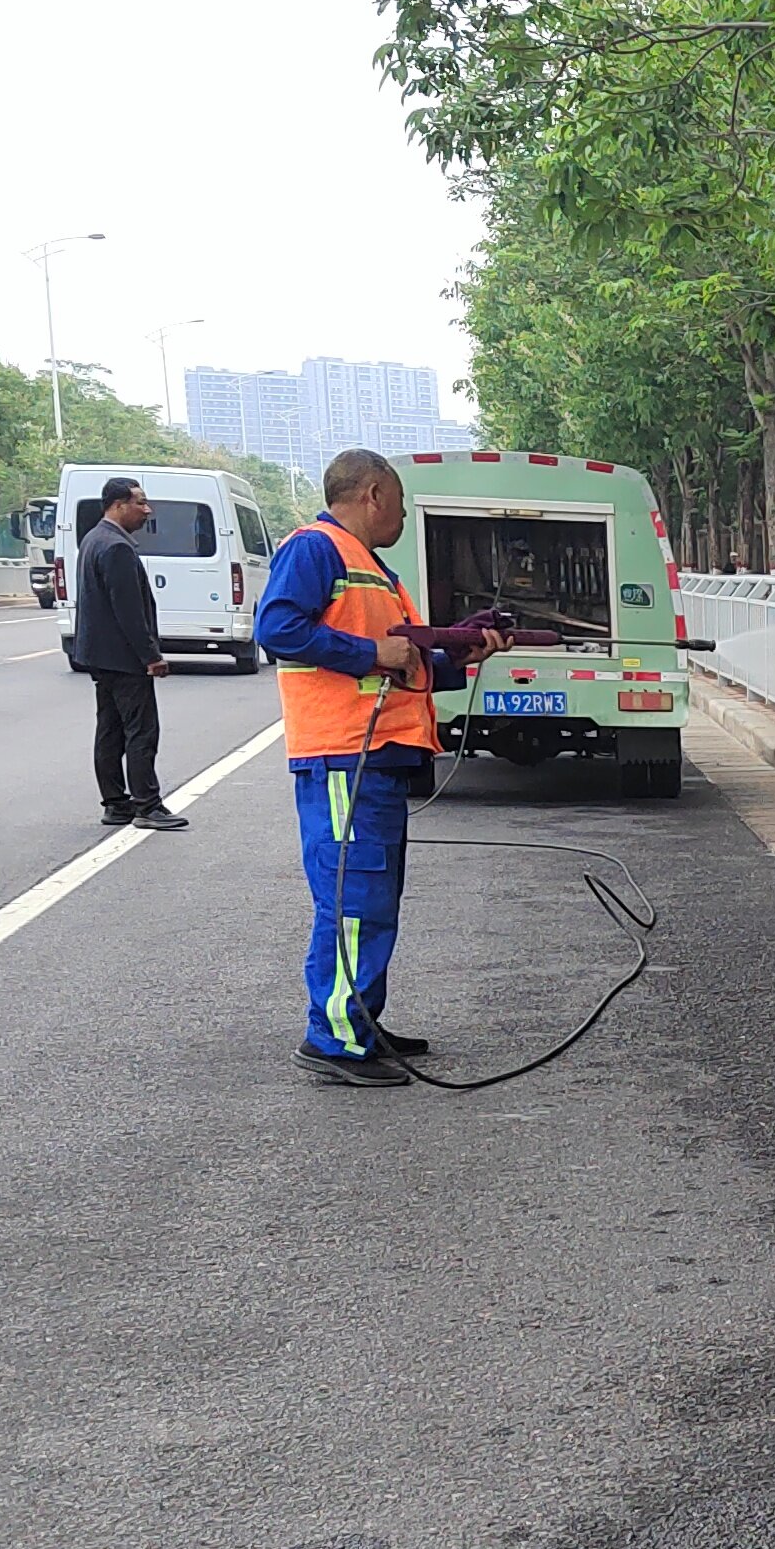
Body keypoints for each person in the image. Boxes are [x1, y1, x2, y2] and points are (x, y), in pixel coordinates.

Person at [252, 449, 499, 1085]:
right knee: (354, 900)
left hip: (375, 756)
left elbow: (405, 662)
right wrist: (369, 653)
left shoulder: (373, 568)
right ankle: (335, 1040)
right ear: (373, 494)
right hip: (345, 754)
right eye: (401, 503)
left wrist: (461, 652)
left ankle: (359, 1021)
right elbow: (276, 628)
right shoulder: (316, 549)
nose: (405, 516)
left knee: (373, 898)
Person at [67, 476, 185, 831]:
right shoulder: (116, 547)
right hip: (123, 658)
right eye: (140, 502)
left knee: (111, 730)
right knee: (141, 731)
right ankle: (147, 805)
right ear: (118, 505)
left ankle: (116, 803)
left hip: (99, 655)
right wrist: (151, 656)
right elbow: (129, 610)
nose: (147, 510)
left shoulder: (94, 539)